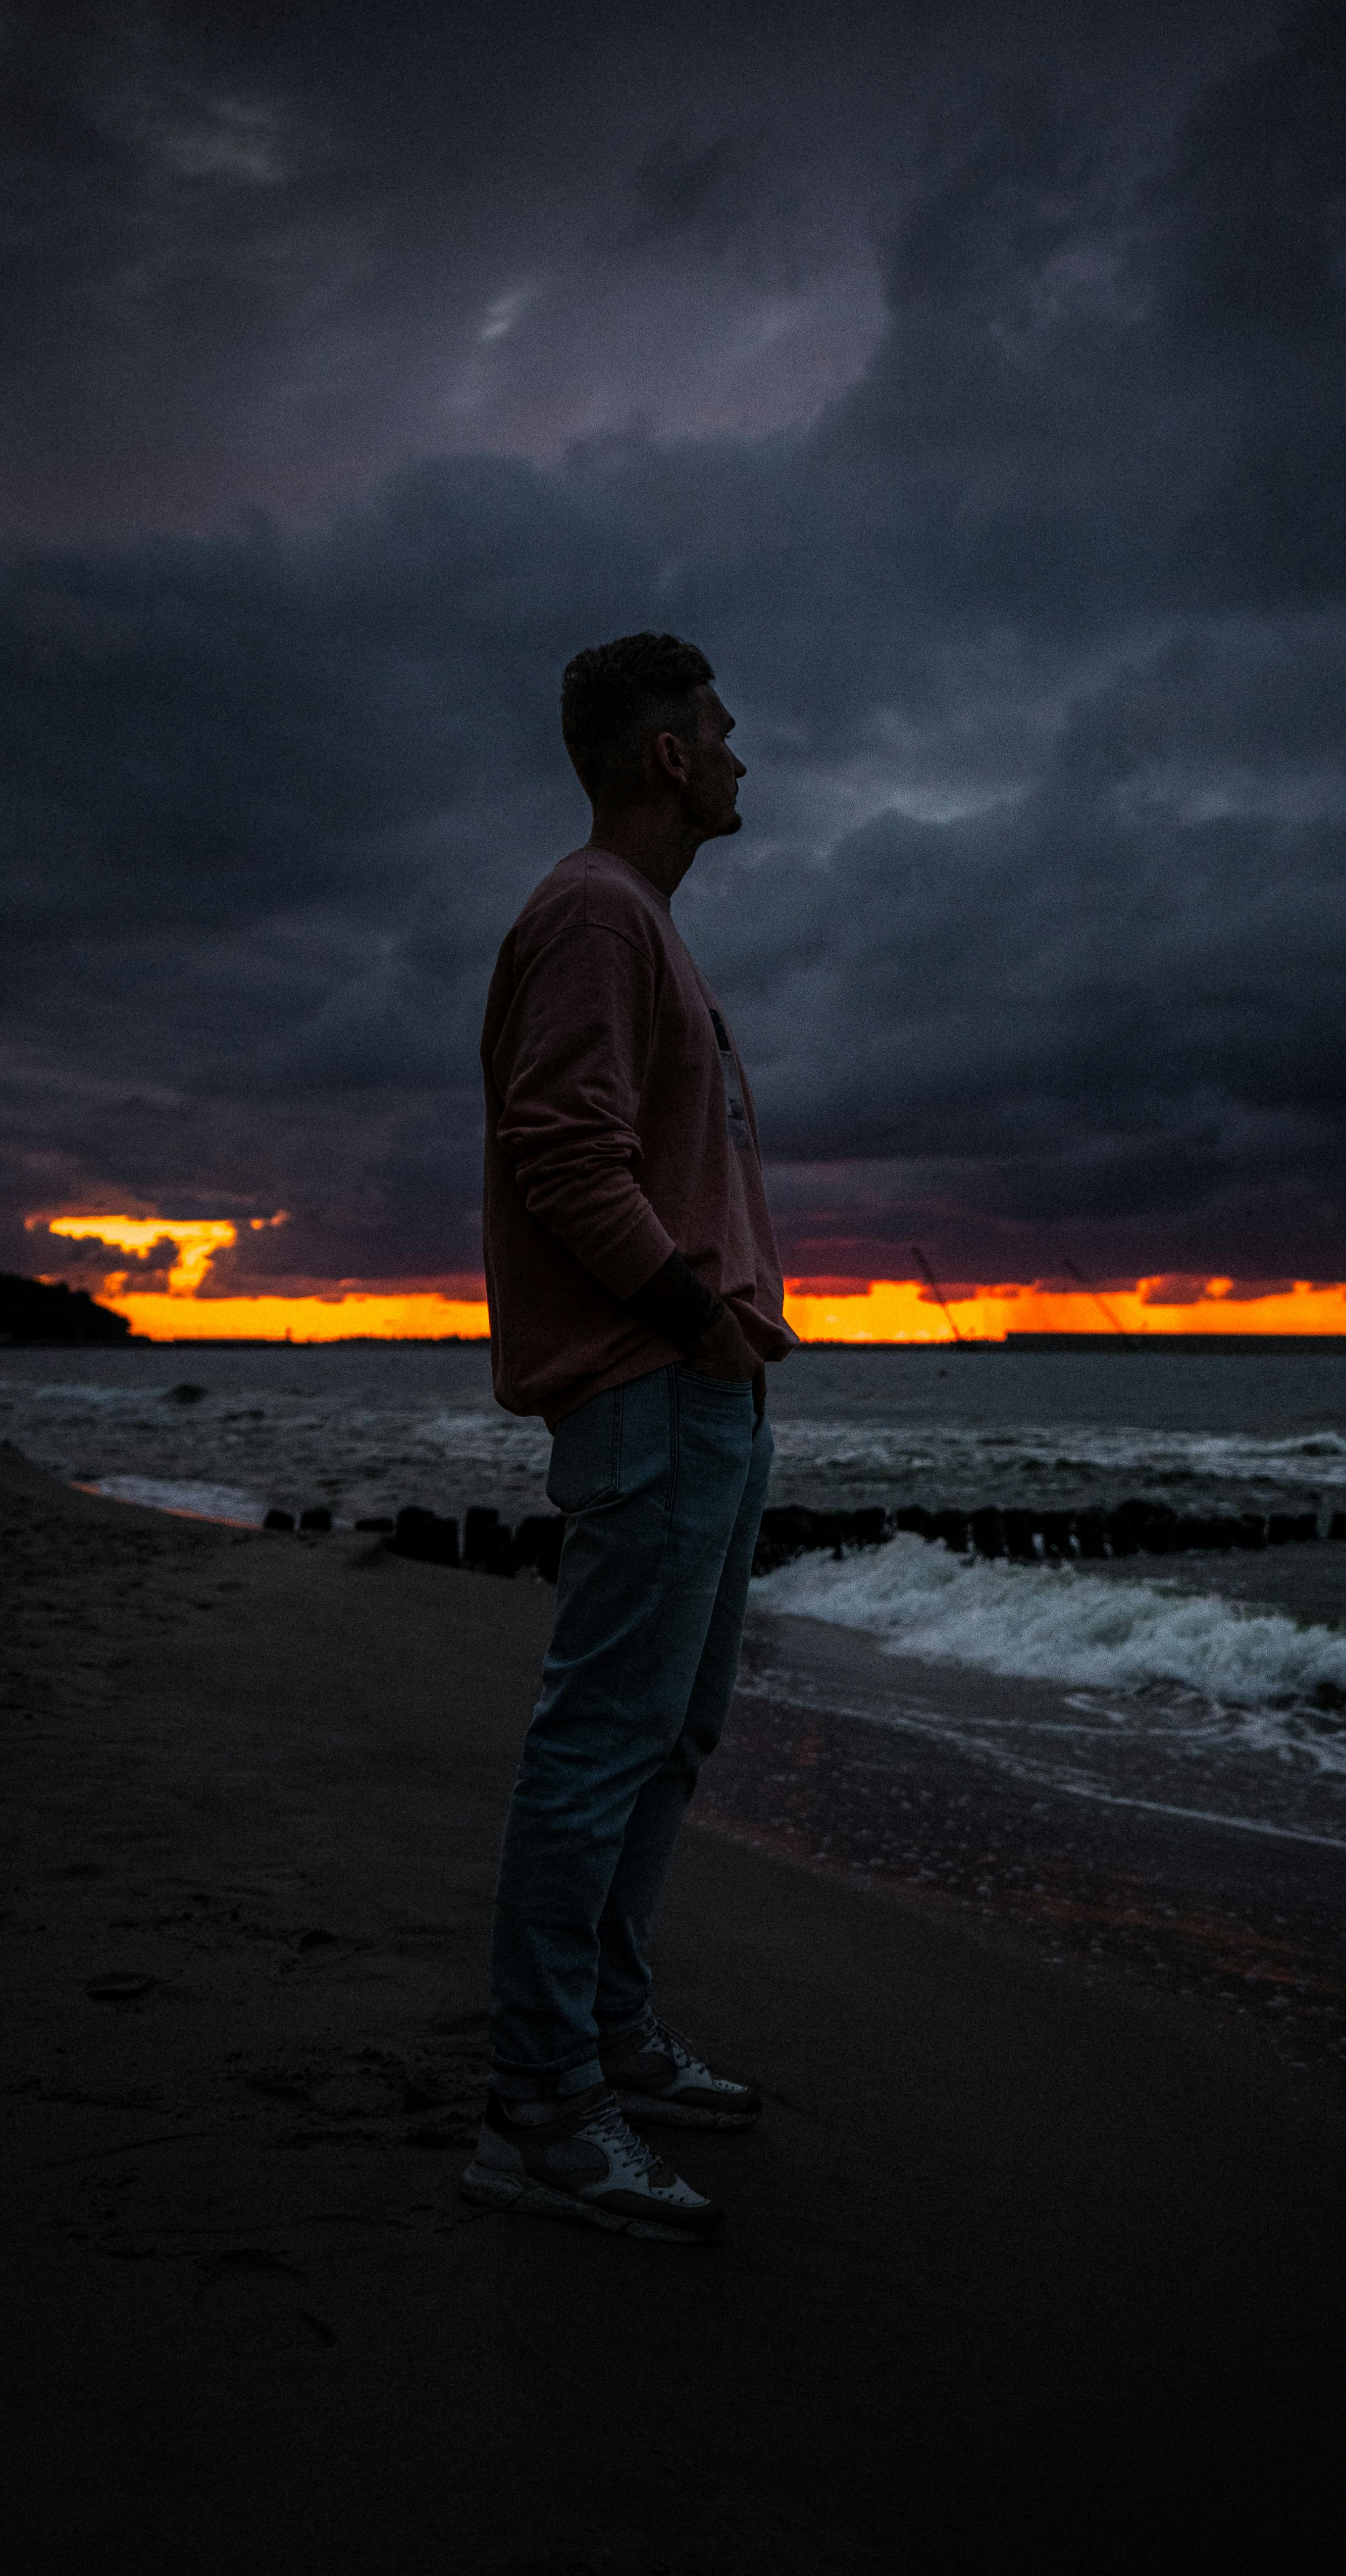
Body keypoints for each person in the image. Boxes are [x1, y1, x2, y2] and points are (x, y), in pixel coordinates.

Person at [463, 632, 792, 2244]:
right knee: (600, 1746)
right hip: (655, 1383)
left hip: (702, 1388)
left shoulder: (646, 929)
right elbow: (562, 1154)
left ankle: (604, 2036)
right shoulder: (597, 913)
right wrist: (695, 1319)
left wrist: (726, 1348)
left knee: (666, 1738)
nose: (741, 758)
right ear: (666, 757)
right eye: (722, 734)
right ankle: (542, 2104)